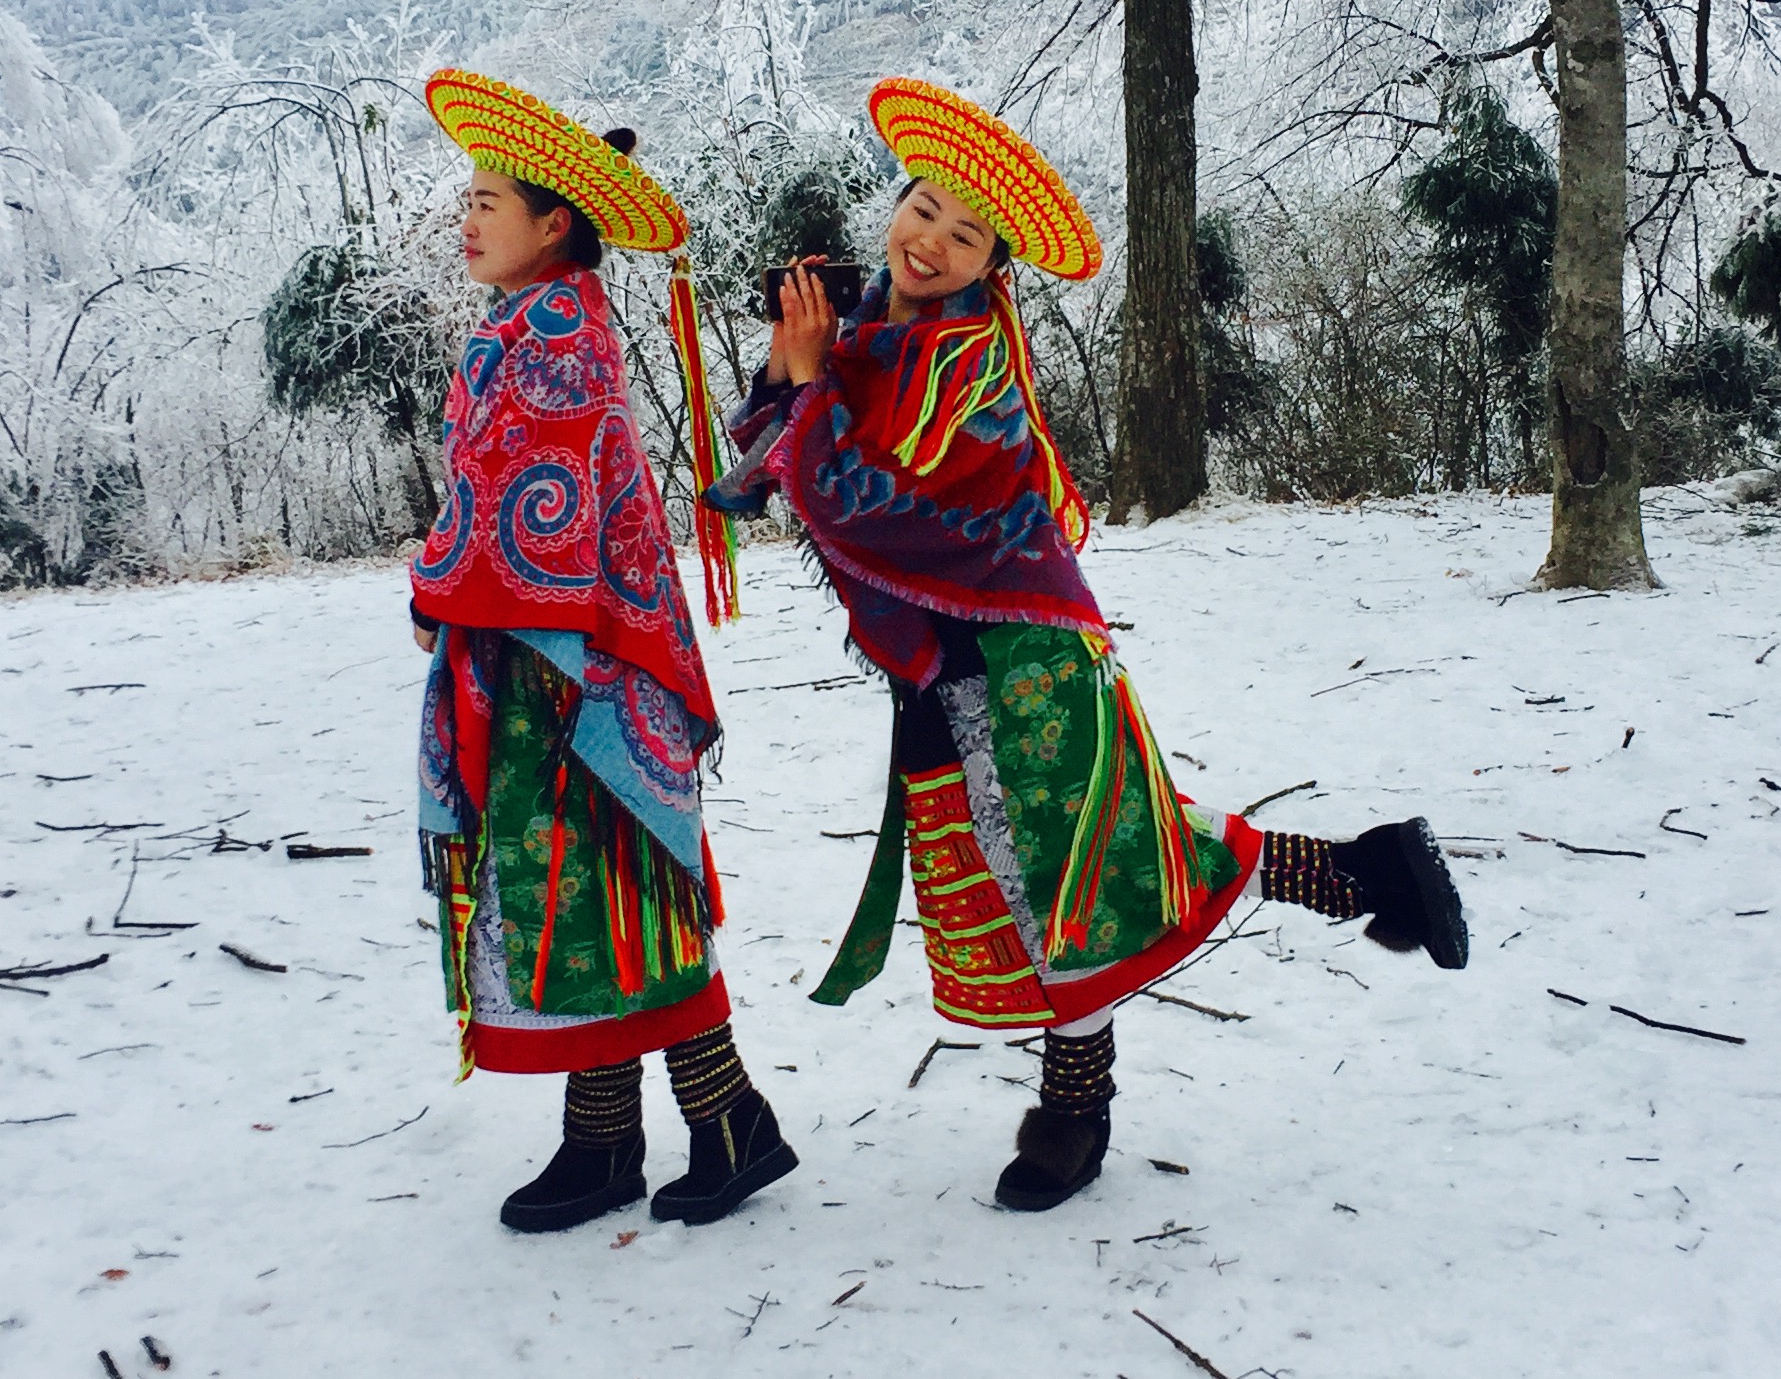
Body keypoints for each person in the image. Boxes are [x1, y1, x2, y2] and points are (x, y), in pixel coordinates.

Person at [720, 78, 1467, 1212]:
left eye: (964, 234)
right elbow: (795, 439)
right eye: (923, 207)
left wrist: (813, 384)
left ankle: (1075, 1110)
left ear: (993, 266)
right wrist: (795, 363)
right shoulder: (874, 323)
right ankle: (1368, 870)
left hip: (1021, 666)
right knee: (1097, 858)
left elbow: (875, 501)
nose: (930, 241)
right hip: (947, 666)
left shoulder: (969, 373)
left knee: (1066, 886)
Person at [407, 68, 794, 1233]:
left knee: (610, 883)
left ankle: (717, 1117)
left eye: (488, 200)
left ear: (554, 222)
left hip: (576, 660)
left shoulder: (557, 329)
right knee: (585, 892)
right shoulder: (528, 321)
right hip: (546, 658)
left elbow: (533, 512)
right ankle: (616, 1133)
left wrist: (438, 583)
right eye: (466, 199)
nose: (466, 219)